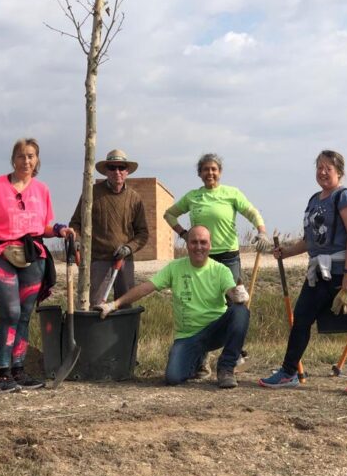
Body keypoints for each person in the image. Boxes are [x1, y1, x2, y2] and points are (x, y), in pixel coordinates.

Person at [258, 149, 347, 395]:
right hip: (319, 272)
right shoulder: (315, 200)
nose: (323, 172)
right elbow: (311, 240)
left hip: (346, 270)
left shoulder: (346, 197)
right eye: (319, 167)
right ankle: (288, 372)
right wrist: (287, 252)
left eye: (328, 168)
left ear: (339, 173)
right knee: (301, 319)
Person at [0, 138, 74, 393]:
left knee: (26, 315)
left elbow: (43, 227)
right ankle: (4, 372)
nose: (26, 161)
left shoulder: (42, 190)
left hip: (33, 255)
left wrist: (61, 229)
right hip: (1, 253)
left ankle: (19, 369)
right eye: (21, 156)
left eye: (30, 156)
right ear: (13, 159)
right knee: (11, 312)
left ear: (37, 160)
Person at [96, 225, 250, 389]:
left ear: (210, 245)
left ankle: (226, 367)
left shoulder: (221, 270)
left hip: (216, 331)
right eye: (194, 242)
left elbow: (232, 293)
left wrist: (238, 294)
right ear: (187, 244)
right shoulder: (174, 267)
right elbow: (146, 287)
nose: (199, 247)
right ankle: (197, 360)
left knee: (241, 312)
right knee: (173, 377)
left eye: (203, 242)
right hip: (188, 336)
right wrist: (114, 304)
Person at [163, 153, 272, 376]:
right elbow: (169, 214)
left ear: (219, 172)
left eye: (214, 169)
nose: (210, 173)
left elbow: (251, 212)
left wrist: (261, 231)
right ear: (200, 173)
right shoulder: (194, 197)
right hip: (203, 257)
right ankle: (201, 359)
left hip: (229, 257)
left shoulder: (231, 193)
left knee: (235, 304)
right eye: (205, 169)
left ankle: (233, 356)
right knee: (202, 305)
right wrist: (184, 233)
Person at [69, 149, 149, 306]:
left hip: (124, 261)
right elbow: (76, 223)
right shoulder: (91, 193)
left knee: (125, 305)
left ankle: (124, 331)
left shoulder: (135, 199)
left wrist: (129, 248)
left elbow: (143, 233)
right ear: (106, 170)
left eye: (121, 168)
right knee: (95, 305)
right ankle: (96, 331)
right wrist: (76, 240)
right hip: (98, 260)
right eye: (112, 167)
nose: (117, 172)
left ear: (127, 171)